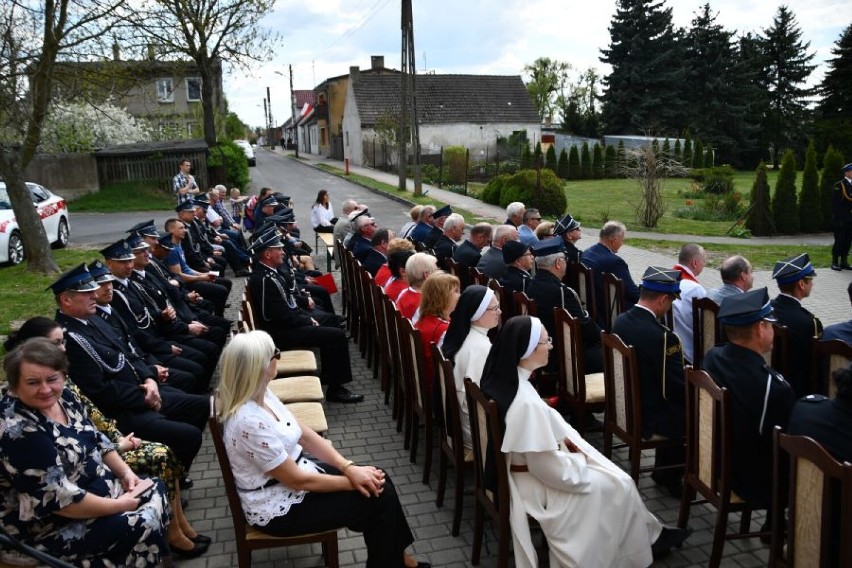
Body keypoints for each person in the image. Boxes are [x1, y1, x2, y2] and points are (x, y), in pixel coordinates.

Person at [480, 316, 691, 568]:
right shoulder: (524, 402)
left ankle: (643, 537)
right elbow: (546, 469)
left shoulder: (510, 378)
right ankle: (628, 550)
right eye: (546, 341)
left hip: (530, 471)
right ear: (527, 350)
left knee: (616, 478)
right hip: (535, 486)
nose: (551, 346)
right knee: (618, 485)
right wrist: (580, 463)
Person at [216, 331, 429, 568]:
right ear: (259, 366)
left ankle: (397, 559)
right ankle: (396, 561)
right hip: (279, 509)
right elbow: (297, 481)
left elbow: (304, 434)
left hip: (296, 481)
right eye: (275, 353)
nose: (279, 356)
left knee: (379, 477)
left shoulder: (261, 392)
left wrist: (348, 467)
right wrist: (354, 481)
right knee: (380, 496)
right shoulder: (248, 422)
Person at [4, 318, 210, 558]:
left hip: (95, 491)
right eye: (32, 382)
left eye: (52, 379)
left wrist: (125, 473)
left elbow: (96, 438)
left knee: (154, 486)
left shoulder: (64, 396)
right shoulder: (18, 430)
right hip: (48, 527)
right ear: (15, 383)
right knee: (140, 521)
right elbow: (59, 499)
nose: (45, 389)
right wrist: (119, 505)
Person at [52, 263, 210, 472]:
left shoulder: (91, 321)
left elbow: (128, 353)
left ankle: (174, 472)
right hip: (125, 411)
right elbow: (99, 391)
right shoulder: (70, 339)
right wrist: (144, 396)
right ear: (66, 300)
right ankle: (172, 477)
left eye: (93, 290)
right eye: (87, 292)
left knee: (201, 404)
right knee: (189, 435)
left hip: (144, 388)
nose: (94, 295)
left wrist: (150, 379)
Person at [703, 288, 796, 519]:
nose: (772, 329)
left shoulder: (712, 357)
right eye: (769, 324)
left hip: (712, 459)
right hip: (750, 481)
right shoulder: (773, 388)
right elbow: (780, 449)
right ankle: (777, 527)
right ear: (759, 329)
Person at [248, 230, 363, 403]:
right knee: (336, 336)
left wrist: (304, 316)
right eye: (278, 249)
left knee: (331, 328)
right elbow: (276, 317)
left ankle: (329, 374)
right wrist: (306, 319)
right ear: (267, 254)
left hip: (287, 325)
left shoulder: (271, 273)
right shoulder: (264, 279)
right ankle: (335, 390)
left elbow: (288, 305)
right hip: (280, 333)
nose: (283, 252)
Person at [612, 267, 686, 496]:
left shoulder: (621, 321)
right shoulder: (664, 337)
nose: (670, 306)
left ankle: (662, 470)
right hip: (650, 417)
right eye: (671, 301)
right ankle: (672, 476)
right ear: (663, 299)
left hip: (626, 405)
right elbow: (673, 387)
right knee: (694, 412)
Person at [526, 237, 602, 374]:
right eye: (565, 260)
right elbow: (586, 327)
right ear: (558, 263)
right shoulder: (562, 292)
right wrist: (602, 336)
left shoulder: (532, 284)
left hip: (542, 346)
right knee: (614, 359)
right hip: (562, 356)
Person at [440, 285, 499, 448]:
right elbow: (486, 399)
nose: (499, 312)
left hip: (463, 422)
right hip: (477, 433)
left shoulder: (461, 335)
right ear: (477, 315)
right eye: (495, 308)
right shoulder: (479, 348)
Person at [770, 253, 823, 398]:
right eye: (810, 280)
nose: (812, 283)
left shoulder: (767, 309)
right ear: (801, 284)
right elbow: (815, 364)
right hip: (798, 390)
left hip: (770, 379)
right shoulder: (809, 322)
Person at [582, 221, 641, 324]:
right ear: (614, 240)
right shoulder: (614, 262)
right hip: (610, 313)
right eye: (622, 240)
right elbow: (633, 293)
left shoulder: (587, 253)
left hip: (591, 307)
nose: (622, 244)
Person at [414, 272, 460, 392]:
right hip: (437, 391)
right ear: (443, 296)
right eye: (456, 291)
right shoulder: (444, 331)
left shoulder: (423, 318)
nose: (460, 295)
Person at [671, 243, 707, 365]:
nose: (705, 264)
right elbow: (706, 325)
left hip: (668, 346)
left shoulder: (666, 279)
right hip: (689, 353)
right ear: (695, 263)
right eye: (704, 261)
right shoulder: (695, 289)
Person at [395, 253, 439, 321]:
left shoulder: (403, 292)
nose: (438, 274)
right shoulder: (425, 304)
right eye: (436, 271)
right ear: (427, 275)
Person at [453, 222, 492, 287]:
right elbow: (477, 283)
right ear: (480, 238)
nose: (488, 245)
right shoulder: (475, 256)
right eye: (488, 241)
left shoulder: (462, 247)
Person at [830, 163, 852, 270]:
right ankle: (835, 262)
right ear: (847, 172)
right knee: (839, 240)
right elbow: (836, 204)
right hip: (842, 219)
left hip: (850, 219)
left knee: (848, 241)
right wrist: (838, 219)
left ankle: (844, 261)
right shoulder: (839, 185)